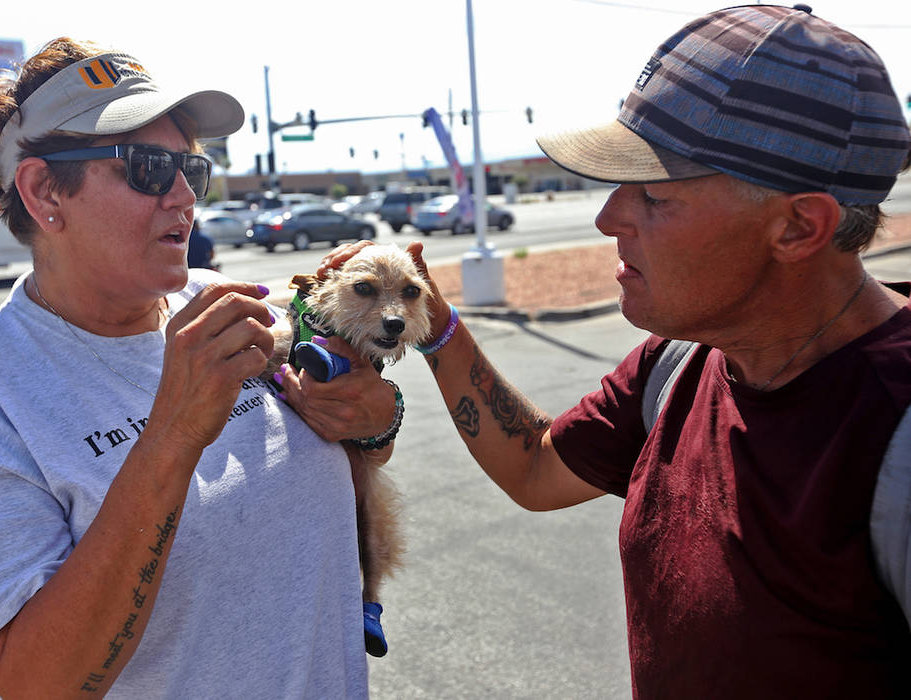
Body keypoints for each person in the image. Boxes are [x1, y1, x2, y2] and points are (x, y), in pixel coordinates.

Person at [322, 4, 911, 697]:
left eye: (655, 195)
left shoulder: (894, 432)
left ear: (798, 226)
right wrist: (434, 320)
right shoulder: (681, 363)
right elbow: (536, 469)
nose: (608, 217)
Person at [0, 38, 400, 698]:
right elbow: (41, 685)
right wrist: (172, 438)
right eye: (150, 167)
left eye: (192, 169)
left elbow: (328, 464)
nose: (185, 196)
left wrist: (376, 424)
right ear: (44, 193)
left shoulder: (224, 302)